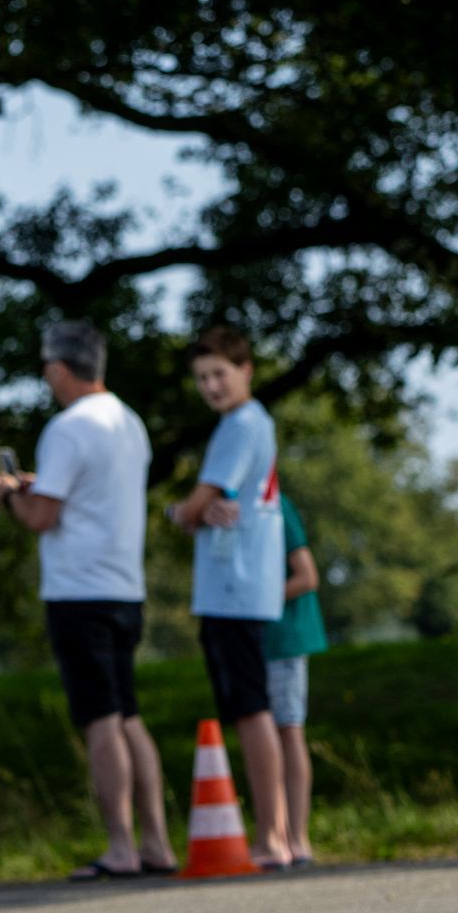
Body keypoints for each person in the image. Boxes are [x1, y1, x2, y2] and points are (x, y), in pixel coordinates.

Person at [0, 320, 176, 880]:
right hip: (125, 586)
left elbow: (43, 518)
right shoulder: (130, 422)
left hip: (79, 590)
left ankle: (120, 846)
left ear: (58, 370)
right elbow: (86, 494)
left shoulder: (66, 428)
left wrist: (9, 499)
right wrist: (38, 484)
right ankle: (158, 844)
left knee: (100, 721)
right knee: (129, 717)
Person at [166, 325, 291, 869]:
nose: (212, 385)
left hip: (235, 586)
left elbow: (195, 507)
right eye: (202, 378)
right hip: (236, 584)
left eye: (220, 373)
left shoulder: (240, 425)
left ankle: (273, 835)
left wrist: (182, 512)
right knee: (247, 708)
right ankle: (276, 832)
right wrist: (200, 510)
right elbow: (213, 504)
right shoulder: (245, 425)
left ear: (246, 371)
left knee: (251, 708)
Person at [265, 493, 328, 867]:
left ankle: (297, 837)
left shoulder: (278, 508)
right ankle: (276, 833)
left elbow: (307, 576)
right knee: (267, 733)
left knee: (288, 730)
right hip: (259, 640)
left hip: (285, 638)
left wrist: (258, 600)